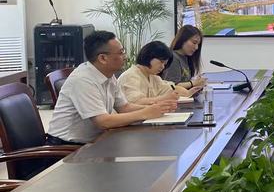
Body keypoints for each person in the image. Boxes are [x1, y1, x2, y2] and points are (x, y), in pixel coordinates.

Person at [48, 31, 177, 144]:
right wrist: (145, 113)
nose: (125, 57)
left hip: (97, 141)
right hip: (68, 147)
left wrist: (158, 109)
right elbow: (103, 121)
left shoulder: (108, 75)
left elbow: (124, 107)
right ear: (103, 58)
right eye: (121, 53)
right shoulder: (83, 80)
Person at [118, 41, 201, 104]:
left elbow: (171, 87)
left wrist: (188, 93)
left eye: (164, 64)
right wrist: (164, 98)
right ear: (148, 56)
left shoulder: (153, 77)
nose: (163, 67)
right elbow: (136, 102)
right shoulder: (131, 76)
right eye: (161, 62)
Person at [161, 25, 207, 90]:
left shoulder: (186, 58)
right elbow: (172, 86)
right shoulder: (174, 58)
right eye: (194, 42)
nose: (196, 48)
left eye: (198, 45)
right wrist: (193, 83)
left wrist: (197, 83)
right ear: (183, 39)